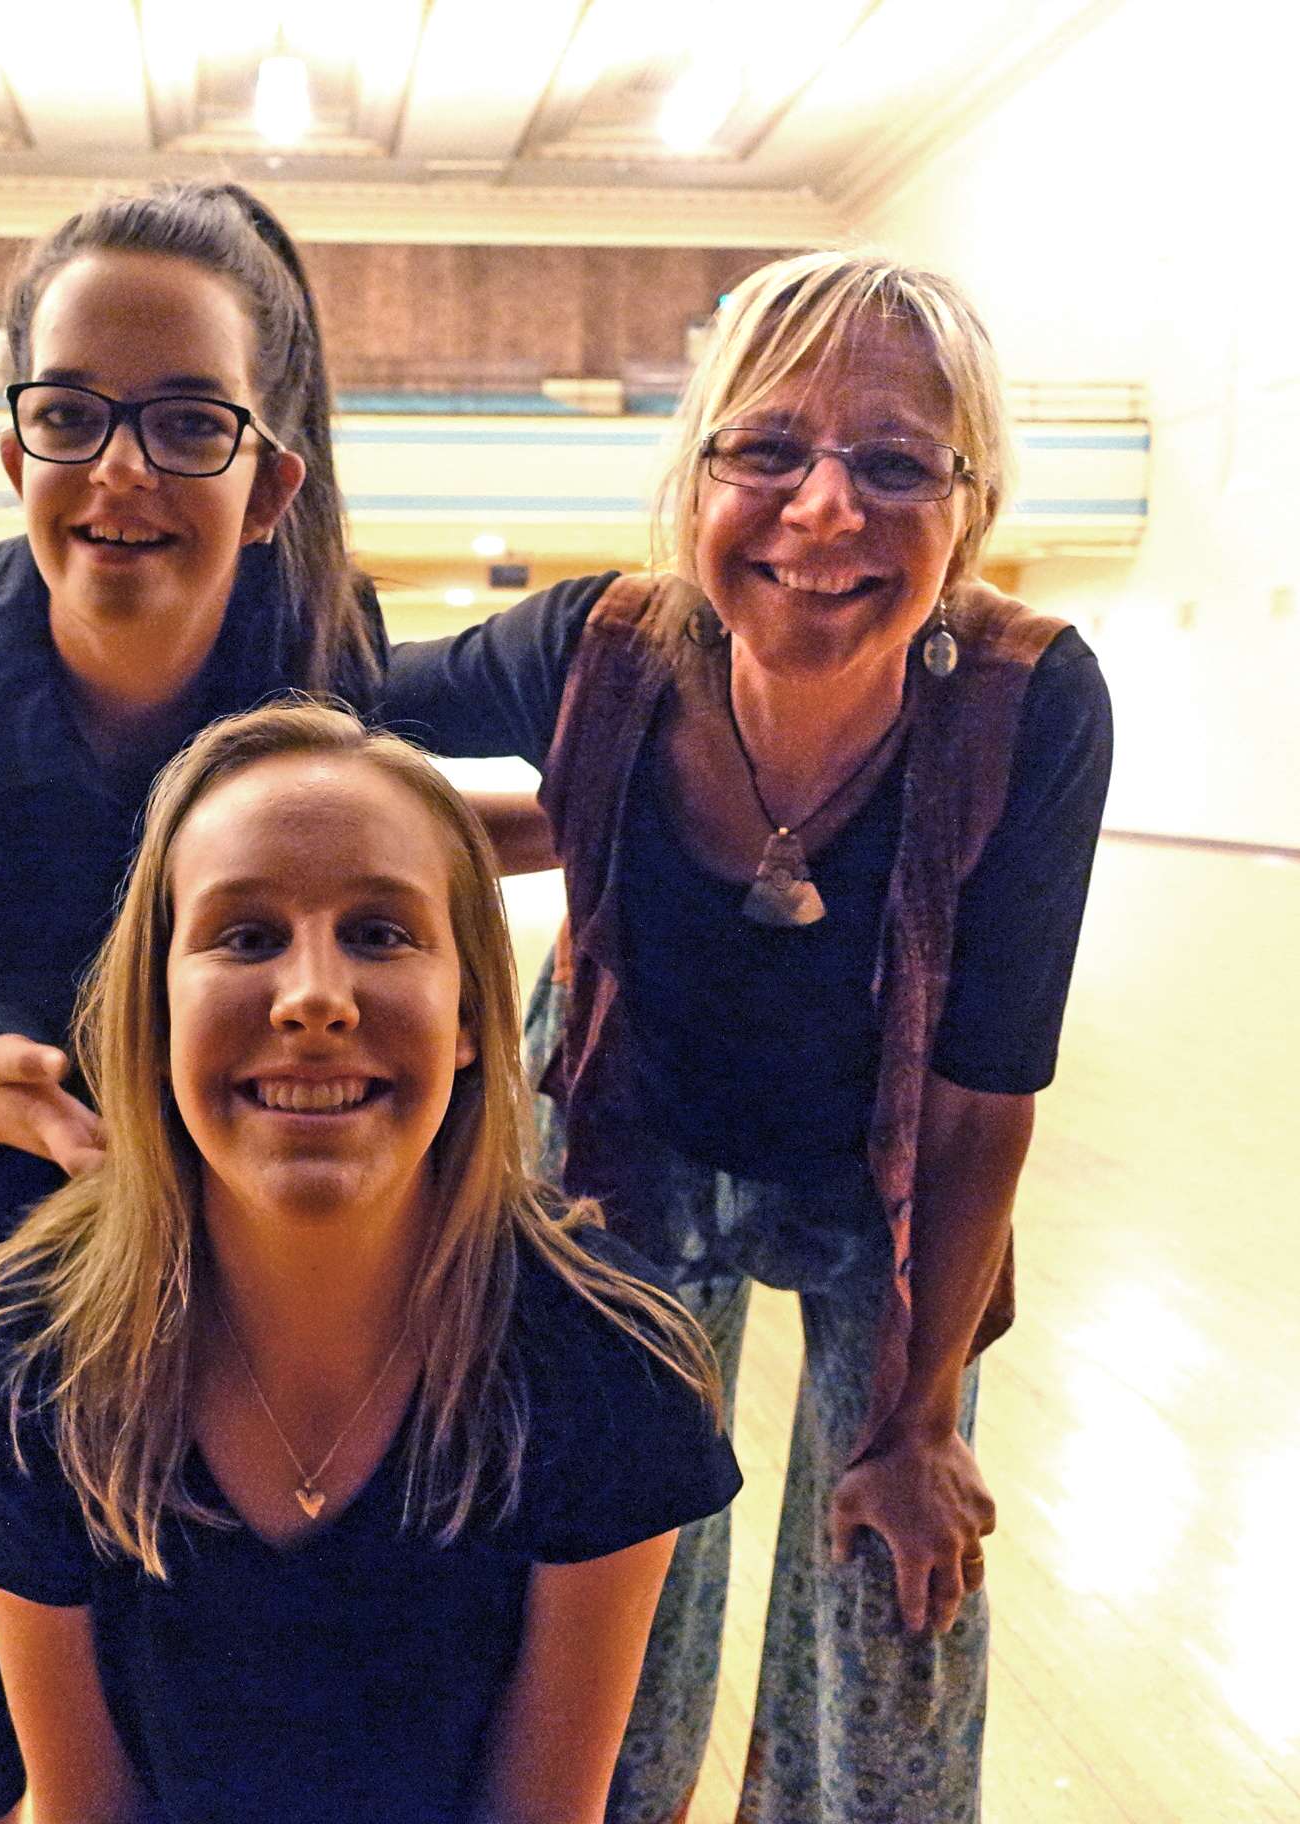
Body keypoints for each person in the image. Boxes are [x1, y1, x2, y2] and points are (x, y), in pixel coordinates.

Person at [379, 252, 1113, 1824]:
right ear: (696, 473)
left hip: (894, 1161)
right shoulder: (597, 650)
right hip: (633, 1125)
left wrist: (916, 1422)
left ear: (966, 508)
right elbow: (322, 691)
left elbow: (984, 1097)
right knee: (607, 1574)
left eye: (894, 461)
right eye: (768, 450)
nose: (825, 507)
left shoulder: (1026, 702)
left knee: (900, 1584)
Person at [0, 182, 386, 1824]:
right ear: (21, 444)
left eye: (189, 424)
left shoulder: (323, 639)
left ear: (268, 485)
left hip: (239, 1138)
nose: (123, 470)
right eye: (75, 415)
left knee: (224, 1500)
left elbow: (392, 861)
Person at [0, 701, 743, 1824]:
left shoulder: (616, 1368)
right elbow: (84, 1809)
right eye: (247, 936)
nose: (314, 996)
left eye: (380, 933)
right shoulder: (27, 1361)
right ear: (155, 1011)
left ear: (470, 1016)